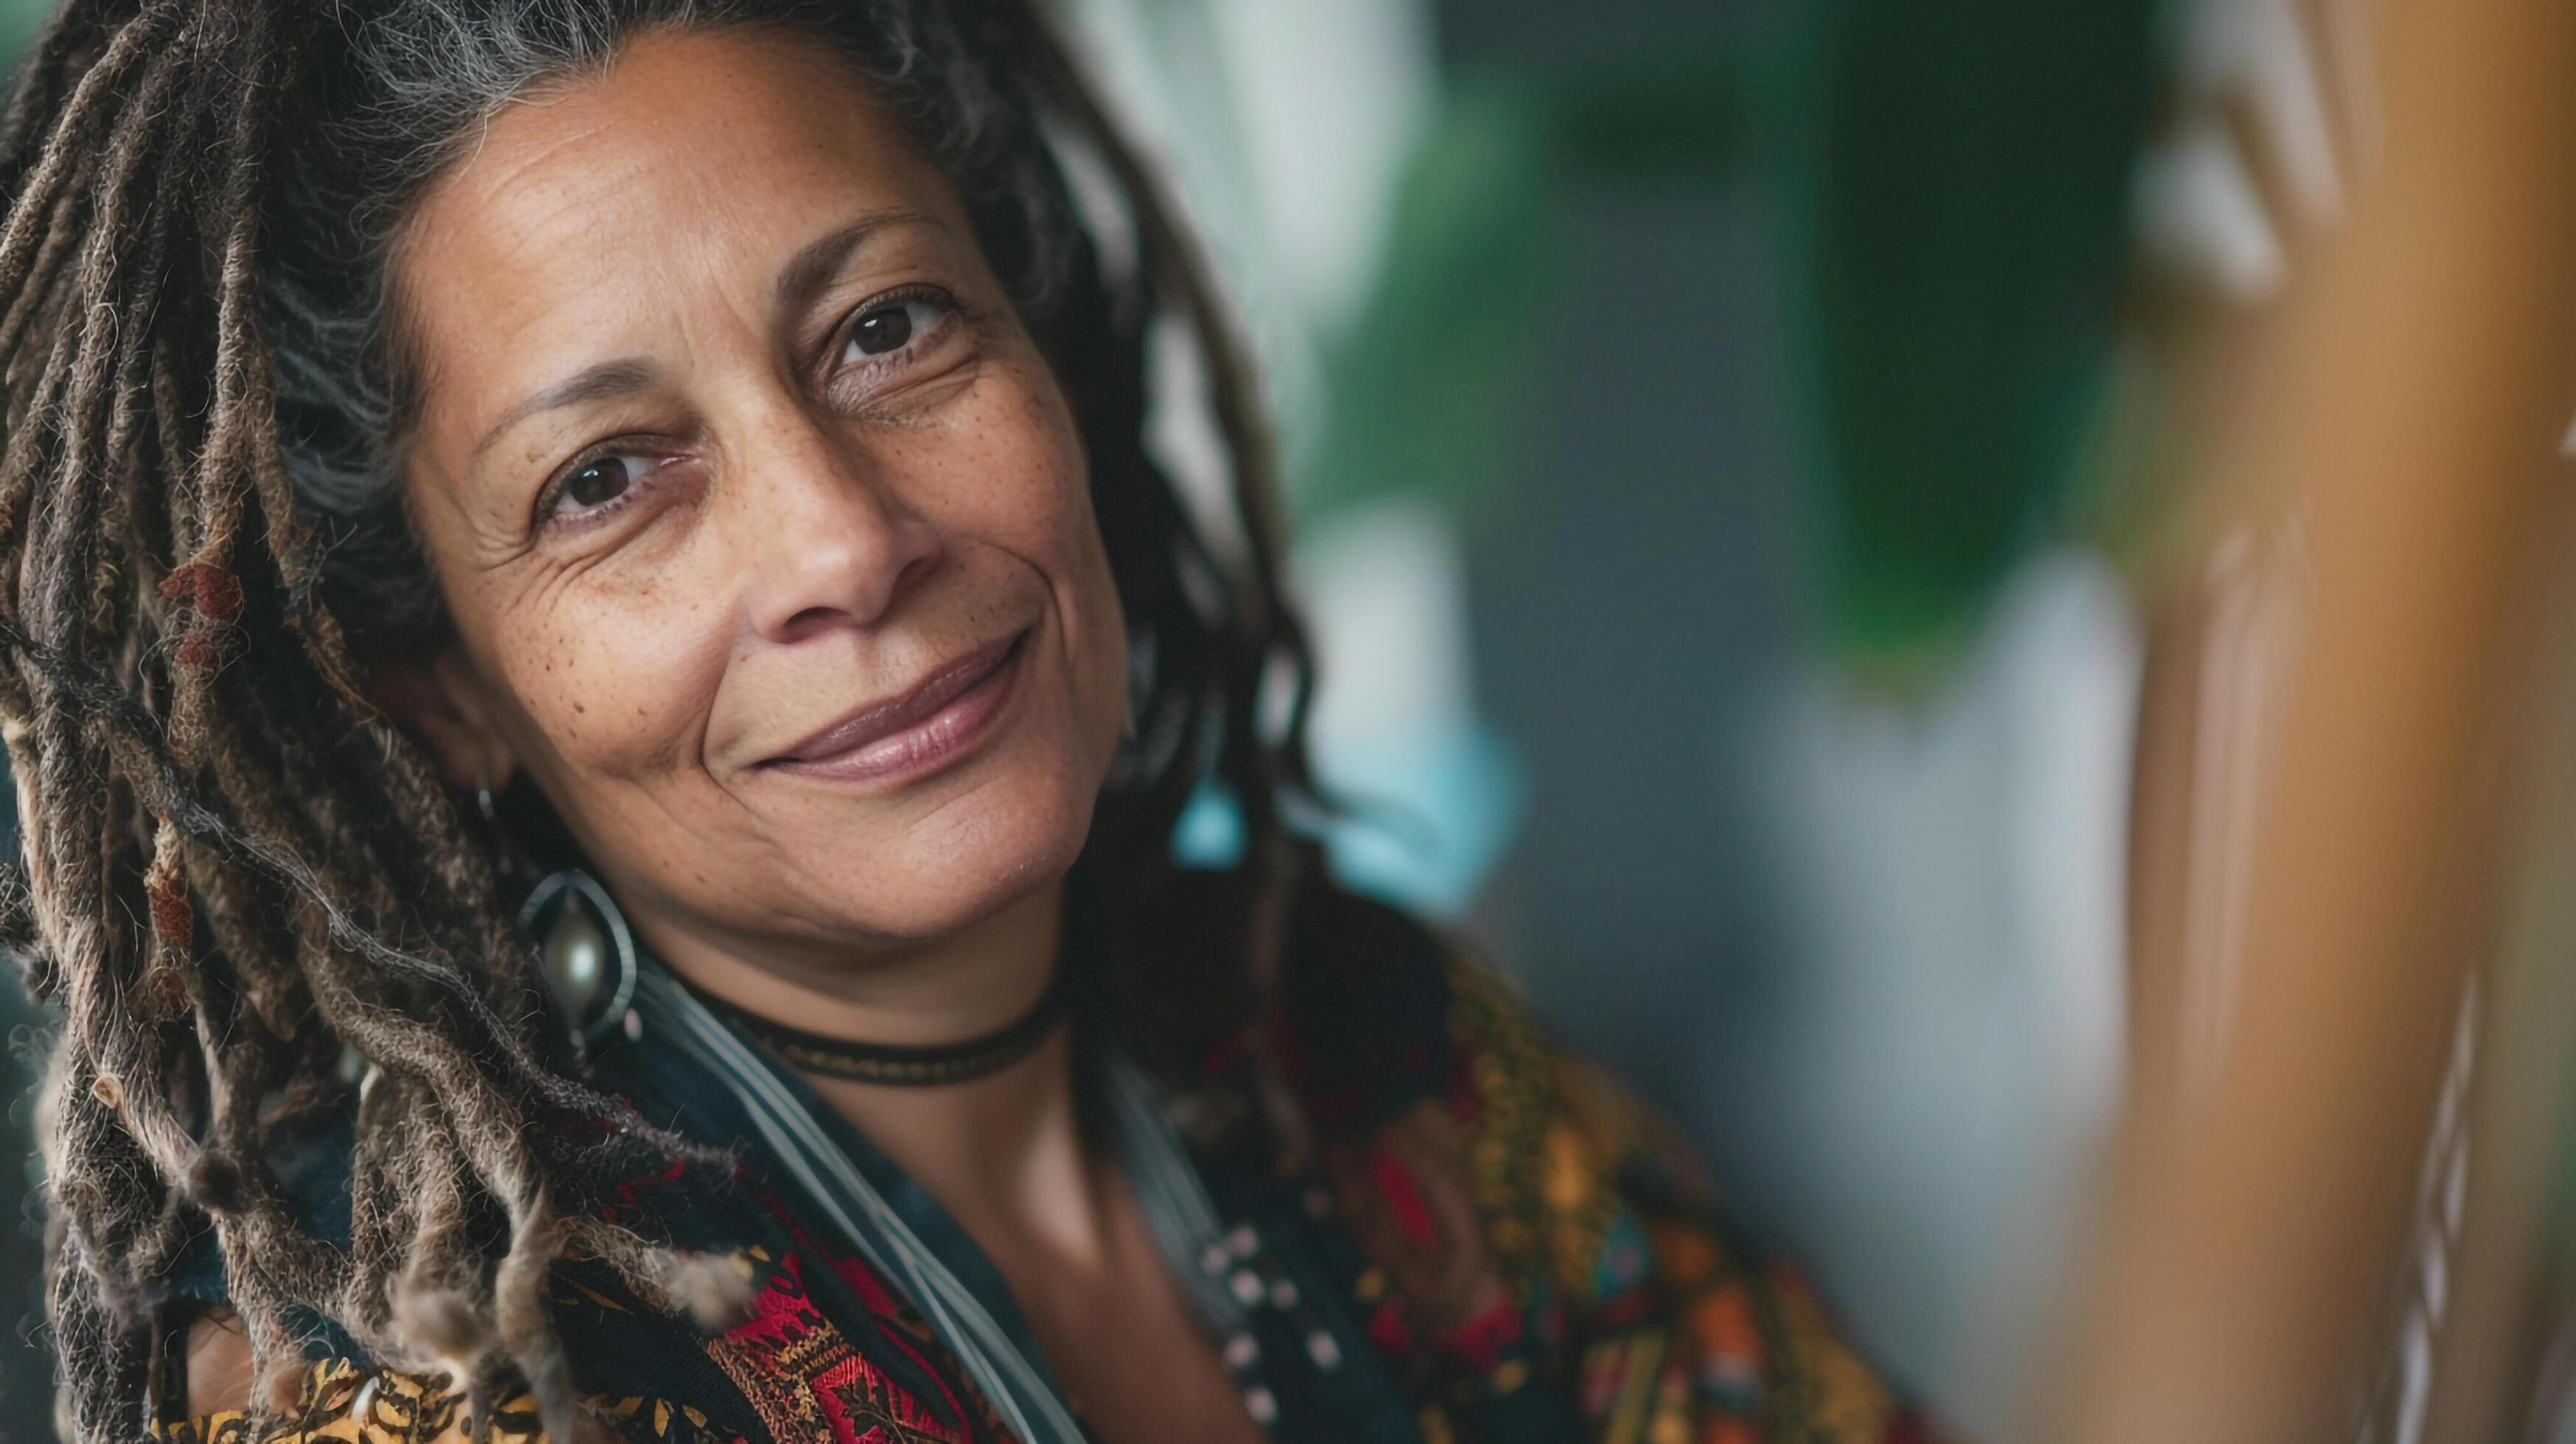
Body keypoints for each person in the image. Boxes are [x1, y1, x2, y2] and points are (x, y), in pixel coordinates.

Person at [0, 1, 1931, 1440]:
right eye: (607, 480)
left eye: (885, 331)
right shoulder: (434, 1381)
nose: (846, 534)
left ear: (1050, 353)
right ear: (438, 692)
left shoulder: (1372, 1045)